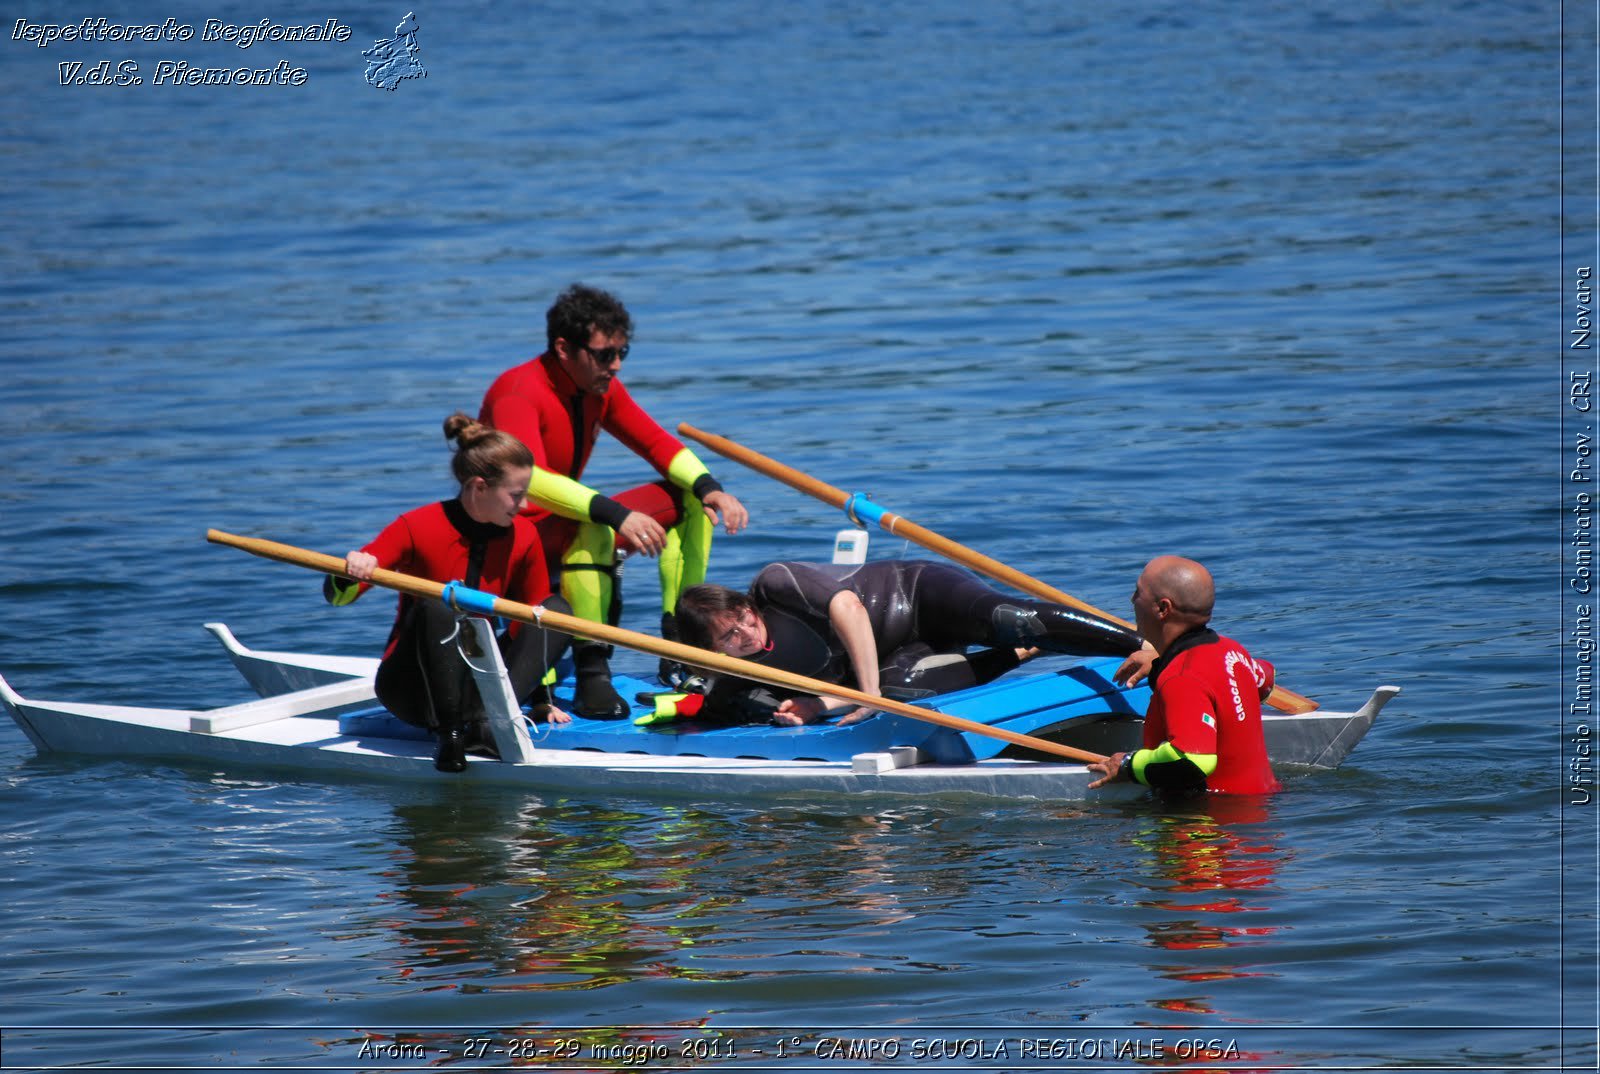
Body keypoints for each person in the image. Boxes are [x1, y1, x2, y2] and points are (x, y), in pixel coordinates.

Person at [479, 283, 748, 718]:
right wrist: (617, 514)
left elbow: (656, 443)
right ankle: (592, 670)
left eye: (623, 353)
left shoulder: (600, 388)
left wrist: (710, 487)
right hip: (515, 537)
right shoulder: (517, 391)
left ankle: (681, 647)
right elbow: (529, 481)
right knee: (595, 524)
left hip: (565, 520)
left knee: (691, 500)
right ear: (565, 348)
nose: (616, 366)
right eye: (605, 354)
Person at [325, 413, 573, 773]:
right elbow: (338, 597)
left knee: (556, 609)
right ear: (478, 487)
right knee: (438, 604)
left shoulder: (524, 536)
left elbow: (529, 622)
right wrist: (351, 572)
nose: (524, 507)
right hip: (414, 689)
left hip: (481, 683)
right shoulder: (416, 526)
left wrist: (538, 696)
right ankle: (452, 735)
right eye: (516, 496)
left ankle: (493, 720)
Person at [672, 559, 1145, 725]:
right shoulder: (738, 674)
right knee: (900, 694)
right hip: (900, 657)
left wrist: (865, 695)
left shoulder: (775, 583)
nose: (748, 632)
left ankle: (1143, 645)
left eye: (745, 618)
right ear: (716, 653)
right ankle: (1022, 656)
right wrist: (817, 707)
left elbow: (849, 609)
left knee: (1010, 618)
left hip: (918, 594)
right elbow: (708, 706)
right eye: (731, 637)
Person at [1087, 555, 1282, 797]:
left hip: (1211, 823)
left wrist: (1128, 764)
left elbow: (1191, 761)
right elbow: (1264, 680)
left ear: (1162, 608)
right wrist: (1160, 663)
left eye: (1138, 592)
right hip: (1261, 811)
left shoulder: (1182, 677)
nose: (1132, 600)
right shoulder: (1233, 650)